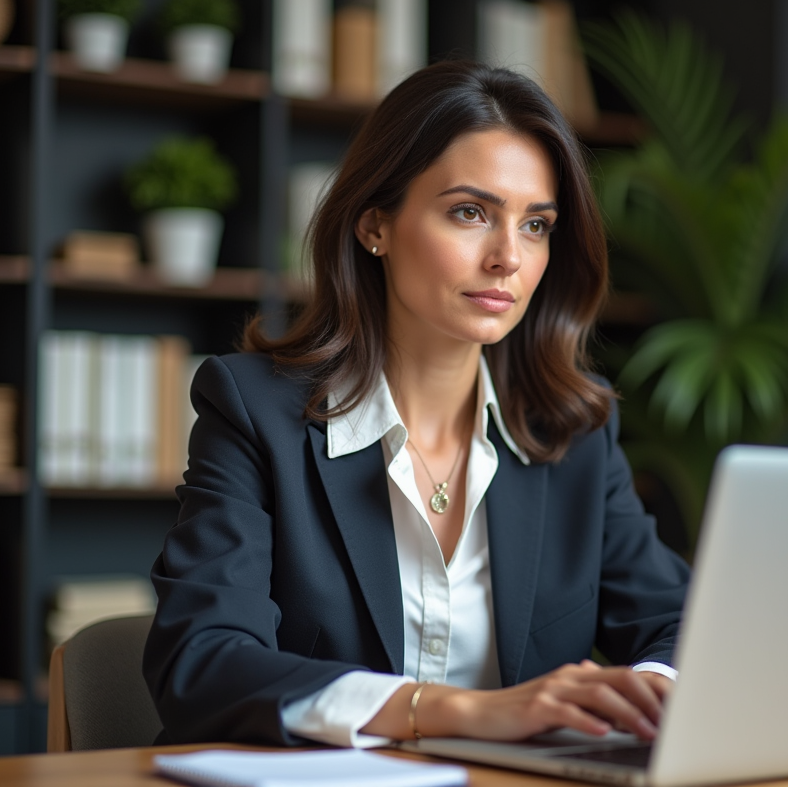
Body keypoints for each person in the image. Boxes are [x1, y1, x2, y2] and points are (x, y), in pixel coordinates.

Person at [142, 59, 690, 748]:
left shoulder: (575, 432)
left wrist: (653, 694)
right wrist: (461, 711)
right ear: (375, 225)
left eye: (536, 225)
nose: (508, 259)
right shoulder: (253, 412)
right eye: (470, 213)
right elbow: (203, 663)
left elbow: (682, 625)